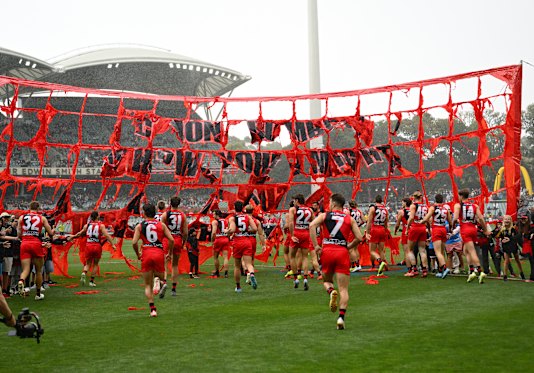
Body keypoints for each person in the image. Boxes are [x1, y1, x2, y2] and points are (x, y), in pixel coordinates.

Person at [309, 193, 363, 330]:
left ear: (333, 203)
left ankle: (331, 291)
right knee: (344, 289)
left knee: (326, 281)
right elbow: (359, 237)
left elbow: (311, 225)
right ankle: (341, 318)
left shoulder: (324, 215)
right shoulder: (349, 218)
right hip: (342, 252)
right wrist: (348, 246)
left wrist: (316, 246)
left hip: (327, 251)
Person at [132, 203, 175, 317]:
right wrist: (169, 253)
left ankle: (153, 309)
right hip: (158, 251)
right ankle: (163, 282)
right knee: (161, 274)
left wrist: (138, 254)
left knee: (147, 285)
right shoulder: (161, 225)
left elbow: (134, 242)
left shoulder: (139, 226)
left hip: (146, 252)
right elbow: (171, 240)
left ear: (144, 213)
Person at [16, 201, 55, 300]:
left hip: (24, 243)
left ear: (29, 207)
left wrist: (23, 237)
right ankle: (38, 294)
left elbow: (19, 233)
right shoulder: (42, 218)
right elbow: (50, 232)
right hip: (36, 243)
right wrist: (52, 233)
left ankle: (21, 281)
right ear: (38, 208)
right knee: (38, 271)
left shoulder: (22, 217)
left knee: (25, 269)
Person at [452, 188, 491, 284]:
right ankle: (472, 271)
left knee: (472, 251)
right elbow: (481, 218)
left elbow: (455, 218)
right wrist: (485, 230)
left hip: (465, 229)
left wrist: (452, 225)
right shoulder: (474, 205)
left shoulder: (458, 205)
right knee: (465, 251)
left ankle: (480, 271)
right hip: (473, 228)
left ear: (461, 196)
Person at [68, 211, 116, 287]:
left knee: (88, 263)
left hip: (88, 245)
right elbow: (107, 235)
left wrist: (72, 237)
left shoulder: (87, 225)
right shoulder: (101, 226)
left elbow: (80, 234)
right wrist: (113, 244)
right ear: (97, 217)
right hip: (97, 245)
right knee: (95, 264)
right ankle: (91, 281)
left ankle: (84, 272)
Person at [227, 200, 258, 292]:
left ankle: (238, 287)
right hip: (247, 241)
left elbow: (232, 229)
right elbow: (255, 228)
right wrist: (246, 230)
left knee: (237, 266)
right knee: (248, 263)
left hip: (237, 241)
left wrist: (227, 231)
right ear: (243, 208)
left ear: (234, 208)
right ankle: (251, 274)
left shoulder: (232, 218)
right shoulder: (247, 217)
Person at [161, 197, 187, 296]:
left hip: (167, 239)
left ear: (170, 203)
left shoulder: (165, 215)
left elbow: (161, 229)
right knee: (175, 265)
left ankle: (164, 283)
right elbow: (185, 232)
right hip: (177, 239)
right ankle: (174, 289)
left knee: (165, 263)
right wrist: (183, 243)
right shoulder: (182, 215)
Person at [288, 194, 314, 290]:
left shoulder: (293, 209)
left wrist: (292, 235)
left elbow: (290, 222)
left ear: (297, 200)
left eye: (294, 200)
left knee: (292, 256)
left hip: (297, 232)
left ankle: (296, 279)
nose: (293, 202)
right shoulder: (310, 210)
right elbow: (313, 222)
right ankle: (305, 278)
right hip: (306, 233)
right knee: (305, 257)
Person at [422, 194, 453, 278]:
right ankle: (440, 271)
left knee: (437, 252)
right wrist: (450, 230)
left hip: (436, 229)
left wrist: (421, 222)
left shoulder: (433, 207)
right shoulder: (445, 209)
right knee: (442, 252)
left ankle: (444, 267)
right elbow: (450, 222)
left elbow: (426, 218)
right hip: (443, 229)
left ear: (435, 200)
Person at [406, 191, 429, 277]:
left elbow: (411, 217)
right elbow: (427, 219)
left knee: (410, 250)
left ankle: (414, 269)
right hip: (423, 227)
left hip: (415, 227)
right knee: (422, 250)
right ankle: (424, 270)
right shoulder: (425, 206)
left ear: (414, 197)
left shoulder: (413, 205)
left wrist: (408, 227)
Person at [365, 195, 389, 276]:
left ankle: (378, 263)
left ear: (375, 200)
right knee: (381, 250)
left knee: (372, 251)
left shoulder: (373, 208)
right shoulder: (385, 209)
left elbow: (369, 221)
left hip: (375, 228)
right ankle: (382, 266)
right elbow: (386, 222)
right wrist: (386, 231)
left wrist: (367, 232)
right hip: (382, 229)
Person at [495, 215, 524, 281]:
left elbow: (518, 236)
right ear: (503, 221)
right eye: (506, 219)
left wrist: (510, 239)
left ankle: (521, 273)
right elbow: (496, 235)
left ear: (510, 221)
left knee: (517, 259)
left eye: (508, 219)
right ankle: (505, 275)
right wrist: (501, 239)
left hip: (513, 246)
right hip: (506, 246)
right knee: (506, 260)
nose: (507, 220)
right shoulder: (502, 229)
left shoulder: (513, 229)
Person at [394, 198, 413, 275]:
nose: (402, 204)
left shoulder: (401, 212)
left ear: (405, 203)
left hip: (406, 231)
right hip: (414, 229)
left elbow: (398, 223)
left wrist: (395, 230)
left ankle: (409, 270)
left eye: (402, 203)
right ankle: (415, 267)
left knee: (407, 251)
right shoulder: (413, 210)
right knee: (413, 251)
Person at [210, 210, 230, 278]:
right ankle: (226, 273)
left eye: (214, 214)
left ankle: (217, 272)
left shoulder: (215, 222)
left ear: (217, 215)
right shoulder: (226, 220)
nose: (213, 215)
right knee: (225, 257)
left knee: (215, 257)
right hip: (225, 238)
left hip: (218, 239)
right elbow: (228, 231)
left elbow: (213, 233)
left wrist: (212, 241)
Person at [348, 200, 366, 272]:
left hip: (351, 231)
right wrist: (359, 225)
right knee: (355, 249)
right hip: (357, 230)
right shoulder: (359, 211)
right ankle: (356, 265)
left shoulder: (349, 211)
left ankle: (356, 265)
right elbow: (364, 220)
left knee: (350, 249)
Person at [517, 213, 534, 282]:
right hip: (527, 247)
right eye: (522, 219)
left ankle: (532, 277)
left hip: (531, 246)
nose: (523, 220)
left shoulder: (531, 226)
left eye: (525, 218)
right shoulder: (520, 227)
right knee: (531, 261)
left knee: (532, 261)